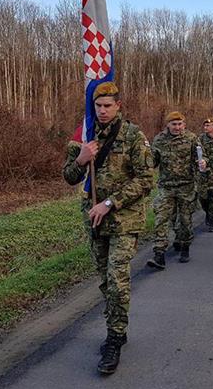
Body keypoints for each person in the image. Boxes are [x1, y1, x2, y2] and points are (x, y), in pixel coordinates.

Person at [62, 81, 154, 376]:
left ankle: (114, 337)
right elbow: (69, 176)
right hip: (94, 220)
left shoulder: (131, 135)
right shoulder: (85, 135)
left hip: (124, 219)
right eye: (98, 106)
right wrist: (81, 159)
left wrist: (110, 202)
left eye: (107, 106)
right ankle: (117, 326)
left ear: (118, 106)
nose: (102, 111)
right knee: (104, 280)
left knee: (116, 279)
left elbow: (145, 179)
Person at [147, 111, 206, 269]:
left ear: (184, 125)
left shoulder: (191, 138)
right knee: (161, 219)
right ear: (168, 125)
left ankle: (185, 245)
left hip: (186, 186)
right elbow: (152, 162)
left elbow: (201, 157)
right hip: (166, 187)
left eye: (180, 124)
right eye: (174, 124)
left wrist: (203, 163)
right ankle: (159, 253)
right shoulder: (159, 140)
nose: (177, 127)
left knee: (185, 220)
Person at [198, 117, 213, 232]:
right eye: (205, 126)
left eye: (208, 126)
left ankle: (212, 221)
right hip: (203, 174)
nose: (205, 128)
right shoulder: (200, 139)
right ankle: (207, 212)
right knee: (203, 197)